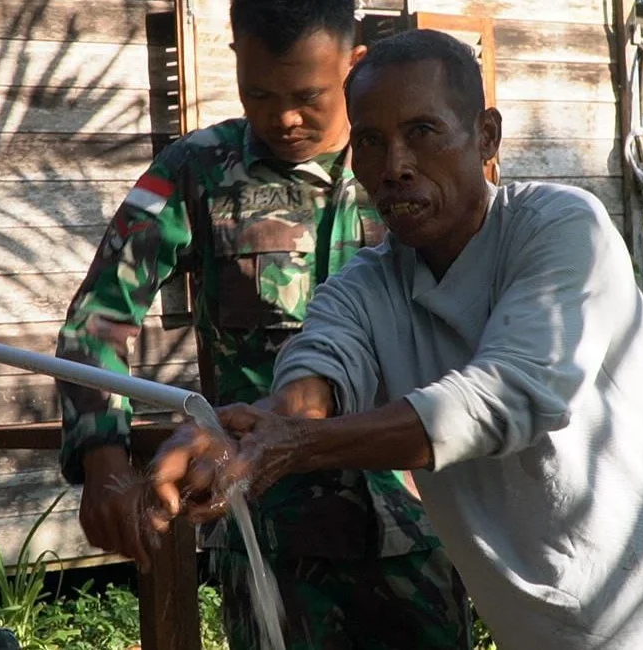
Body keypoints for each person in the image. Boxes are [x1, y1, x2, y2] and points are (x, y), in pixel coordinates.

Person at [148, 28, 643, 650]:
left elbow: (509, 393)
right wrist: (240, 435)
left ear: (486, 137)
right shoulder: (366, 287)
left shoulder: (559, 226)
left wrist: (293, 446)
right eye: (370, 140)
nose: (394, 165)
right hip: (570, 629)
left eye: (423, 132)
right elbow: (317, 376)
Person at [54, 2, 470, 647]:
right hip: (267, 534)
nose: (283, 118)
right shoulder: (197, 172)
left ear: (352, 65)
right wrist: (103, 458)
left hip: (420, 528)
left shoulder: (415, 171)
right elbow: (100, 317)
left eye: (308, 95)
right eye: (258, 94)